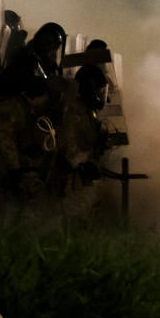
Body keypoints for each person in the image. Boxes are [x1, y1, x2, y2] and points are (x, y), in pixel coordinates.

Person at [0, 75, 56, 213]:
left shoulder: (25, 108)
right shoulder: (10, 107)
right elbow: (5, 140)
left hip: (18, 166)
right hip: (5, 166)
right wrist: (15, 170)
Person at [57, 64, 109, 218]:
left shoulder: (86, 112)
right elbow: (68, 143)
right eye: (100, 91)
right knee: (71, 211)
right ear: (91, 89)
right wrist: (81, 164)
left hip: (82, 174)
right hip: (73, 178)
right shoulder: (74, 113)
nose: (102, 96)